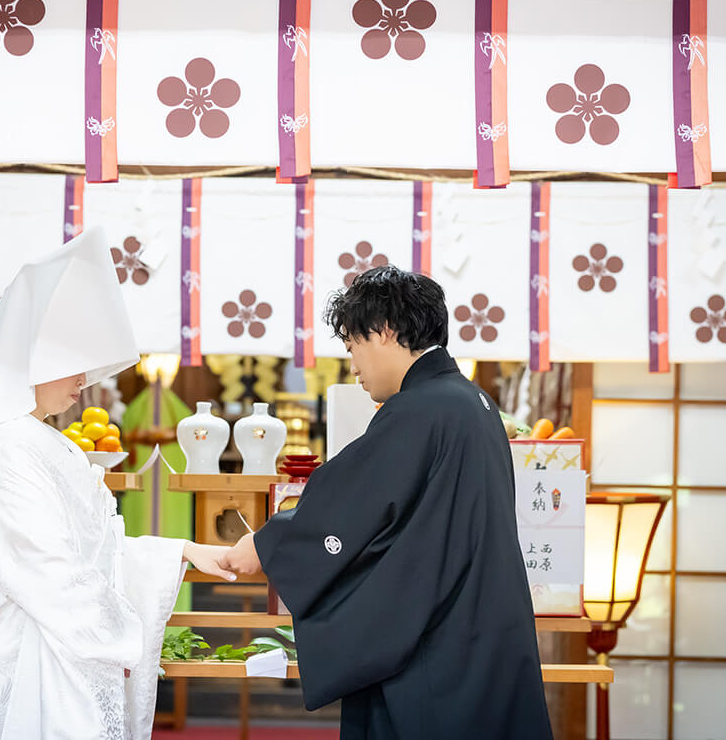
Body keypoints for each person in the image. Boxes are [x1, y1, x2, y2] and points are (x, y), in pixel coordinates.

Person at [0, 227, 235, 740]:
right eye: (73, 364)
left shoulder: (38, 442)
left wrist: (180, 550)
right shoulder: (9, 451)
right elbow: (53, 572)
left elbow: (92, 552)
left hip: (64, 653)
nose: (84, 379)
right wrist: (123, 641)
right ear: (30, 362)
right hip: (42, 672)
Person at [226, 266, 553, 740]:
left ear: (382, 332)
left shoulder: (420, 409)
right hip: (482, 635)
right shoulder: (472, 403)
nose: (352, 366)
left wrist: (264, 546)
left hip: (437, 655)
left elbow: (354, 499)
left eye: (352, 347)